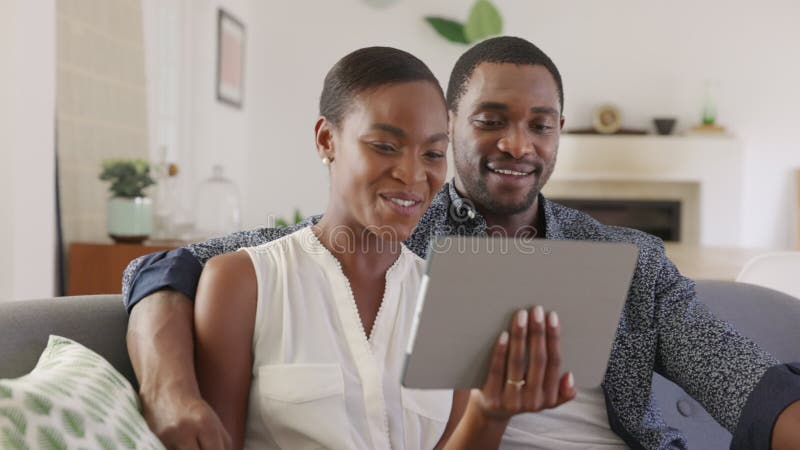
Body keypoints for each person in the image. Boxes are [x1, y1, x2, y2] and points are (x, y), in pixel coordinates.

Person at [123, 37, 800, 450]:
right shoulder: (392, 234)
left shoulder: (628, 259)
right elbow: (167, 266)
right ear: (450, 125)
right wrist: (168, 388)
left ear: (561, 131)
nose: (517, 144)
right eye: (491, 121)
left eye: (540, 124)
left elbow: (743, 379)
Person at [191, 46, 574, 450]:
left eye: (432, 154)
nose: (412, 174)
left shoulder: (452, 300)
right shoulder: (242, 283)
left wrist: (491, 414)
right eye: (385, 146)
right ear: (327, 139)